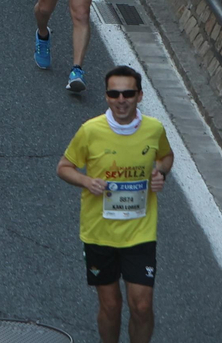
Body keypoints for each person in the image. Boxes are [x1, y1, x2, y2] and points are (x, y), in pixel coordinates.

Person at [56, 66, 172, 343]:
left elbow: (166, 156)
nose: (121, 100)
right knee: (111, 305)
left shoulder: (154, 130)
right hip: (99, 233)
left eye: (128, 94)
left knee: (141, 306)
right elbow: (64, 167)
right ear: (107, 96)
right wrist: (86, 181)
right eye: (114, 93)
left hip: (140, 232)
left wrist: (160, 172)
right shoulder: (90, 131)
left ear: (139, 96)